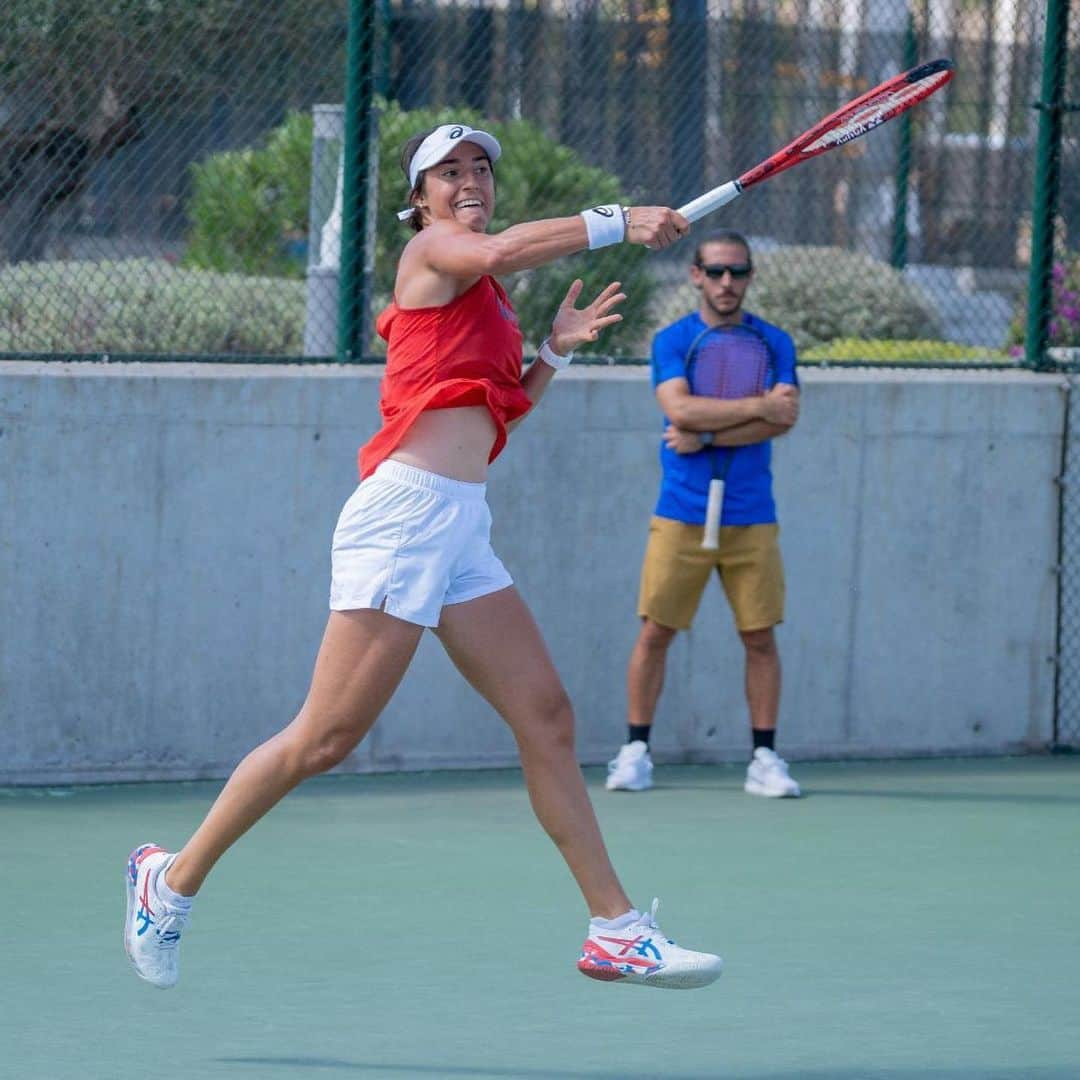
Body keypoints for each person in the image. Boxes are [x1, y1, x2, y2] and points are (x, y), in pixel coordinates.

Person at [124, 123, 722, 992]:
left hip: (459, 522)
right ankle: (167, 883)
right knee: (324, 738)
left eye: (480, 166)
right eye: (449, 171)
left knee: (547, 717)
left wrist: (552, 349)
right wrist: (623, 219)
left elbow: (497, 417)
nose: (469, 179)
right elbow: (511, 248)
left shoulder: (487, 300)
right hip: (405, 518)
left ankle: (615, 929)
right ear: (421, 196)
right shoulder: (436, 254)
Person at [605, 230, 802, 798]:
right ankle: (636, 751)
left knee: (760, 638)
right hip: (681, 514)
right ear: (695, 274)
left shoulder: (775, 342)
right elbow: (678, 407)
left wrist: (711, 429)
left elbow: (783, 419)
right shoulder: (672, 340)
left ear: (749, 277)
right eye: (715, 272)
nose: (726, 283)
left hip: (752, 515)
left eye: (737, 272)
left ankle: (765, 758)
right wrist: (754, 407)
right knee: (655, 633)